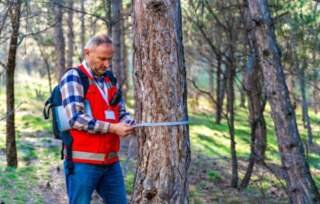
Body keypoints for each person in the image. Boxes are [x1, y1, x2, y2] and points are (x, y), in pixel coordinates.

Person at [59, 34, 135, 204]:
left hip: (111, 162)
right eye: (102, 58)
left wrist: (129, 122)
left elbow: (120, 112)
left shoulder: (110, 80)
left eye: (109, 59)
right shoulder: (73, 77)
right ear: (87, 52)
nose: (107, 64)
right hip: (82, 164)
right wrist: (112, 128)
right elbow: (75, 118)